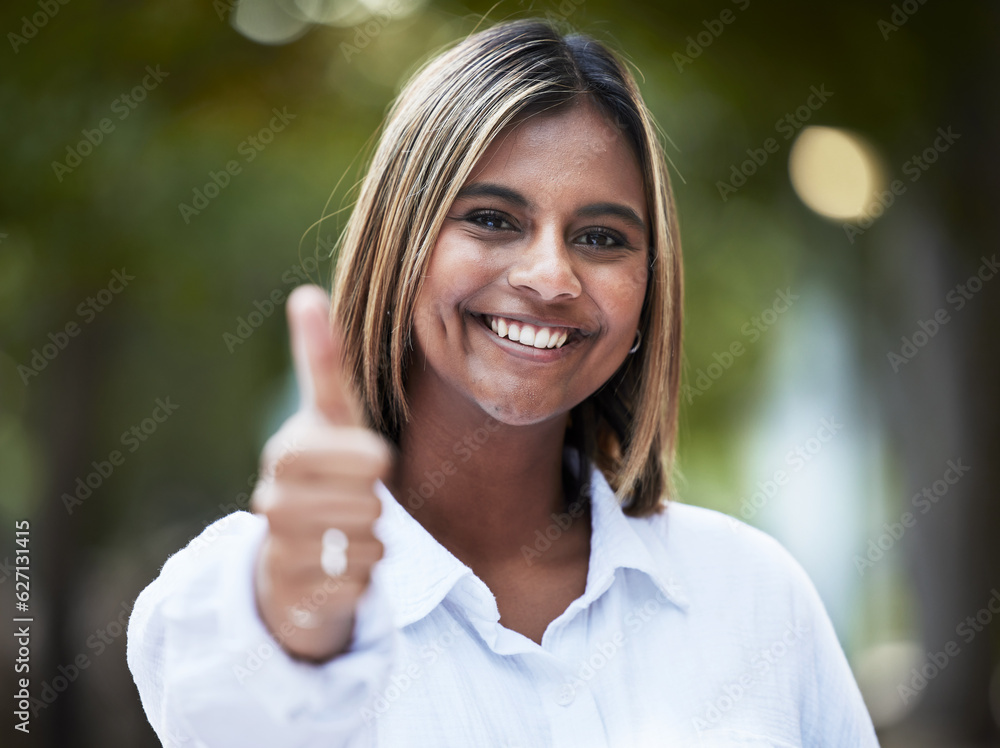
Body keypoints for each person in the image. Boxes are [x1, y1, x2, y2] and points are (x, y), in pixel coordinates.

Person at [127, 17, 879, 747]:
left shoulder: (753, 593)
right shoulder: (238, 586)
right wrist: (299, 629)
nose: (551, 278)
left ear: (650, 289)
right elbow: (225, 707)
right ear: (402, 248)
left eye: (600, 238)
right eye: (491, 219)